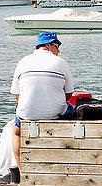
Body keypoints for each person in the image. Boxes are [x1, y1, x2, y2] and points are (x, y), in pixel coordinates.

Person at [9, 31, 74, 172]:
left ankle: (22, 172)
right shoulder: (61, 62)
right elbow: (69, 94)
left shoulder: (23, 61)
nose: (58, 50)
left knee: (16, 132)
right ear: (49, 45)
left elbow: (17, 95)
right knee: (72, 110)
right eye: (57, 46)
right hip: (55, 113)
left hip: (27, 114)